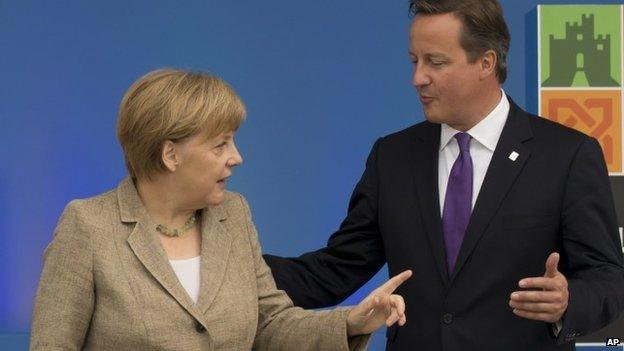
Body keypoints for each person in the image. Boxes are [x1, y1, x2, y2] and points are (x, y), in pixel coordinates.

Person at [263, 1, 624, 350]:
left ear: (485, 63)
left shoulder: (566, 155)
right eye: (414, 60)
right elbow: (335, 270)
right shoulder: (392, 157)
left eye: (435, 62)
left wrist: (567, 301)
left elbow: (608, 279)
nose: (417, 78)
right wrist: (226, 268)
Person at [29, 68, 413, 351]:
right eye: (220, 145)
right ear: (170, 154)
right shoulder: (88, 226)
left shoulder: (235, 215)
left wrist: (351, 322)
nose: (236, 158)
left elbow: (272, 323)